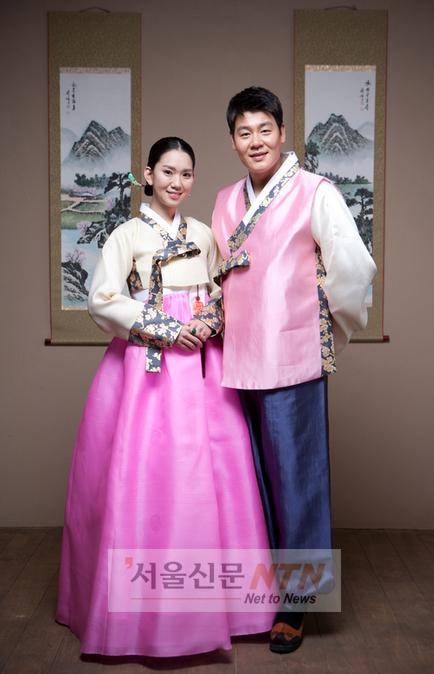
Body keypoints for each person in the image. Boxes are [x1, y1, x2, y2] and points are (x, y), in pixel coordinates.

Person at [55, 136, 274, 657]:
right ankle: (141, 616)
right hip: (146, 365)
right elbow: (103, 300)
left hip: (203, 362)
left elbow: (223, 289)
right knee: (146, 474)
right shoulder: (127, 234)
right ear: (148, 175)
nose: (178, 182)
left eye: (187, 174)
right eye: (168, 172)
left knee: (217, 474)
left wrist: (207, 319)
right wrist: (166, 328)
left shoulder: (203, 233)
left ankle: (225, 607)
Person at [211, 87, 377, 654]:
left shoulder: (315, 191)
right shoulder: (224, 200)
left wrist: (322, 324)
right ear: (233, 141)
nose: (255, 141)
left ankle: (297, 603)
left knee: (298, 482)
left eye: (265, 129)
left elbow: (352, 266)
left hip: (292, 357)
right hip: (236, 358)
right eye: (244, 132)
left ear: (282, 133)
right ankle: (258, 593)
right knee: (250, 481)